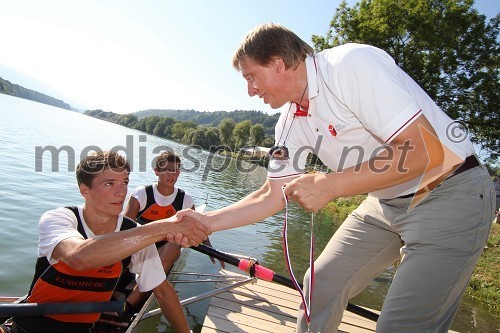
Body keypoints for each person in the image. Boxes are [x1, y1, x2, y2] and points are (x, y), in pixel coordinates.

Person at [172, 23, 495, 333]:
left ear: (278, 63)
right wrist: (205, 221)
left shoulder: (351, 64)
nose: (250, 90)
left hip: (449, 192)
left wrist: (331, 185)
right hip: (385, 203)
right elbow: (270, 196)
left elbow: (424, 153)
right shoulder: (287, 123)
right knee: (319, 286)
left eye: (252, 77)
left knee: (401, 326)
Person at [0, 151, 210, 333]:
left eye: (125, 182)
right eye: (109, 183)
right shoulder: (59, 219)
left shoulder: (134, 233)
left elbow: (163, 292)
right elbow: (78, 257)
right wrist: (165, 227)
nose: (121, 192)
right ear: (85, 190)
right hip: (28, 326)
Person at [123, 151, 224, 310]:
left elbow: (198, 228)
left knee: (173, 246)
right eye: (167, 170)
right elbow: (123, 230)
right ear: (156, 171)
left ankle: (130, 304)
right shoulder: (141, 194)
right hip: (139, 249)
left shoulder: (185, 200)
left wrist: (211, 250)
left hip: (164, 251)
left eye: (176, 170)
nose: (172, 174)